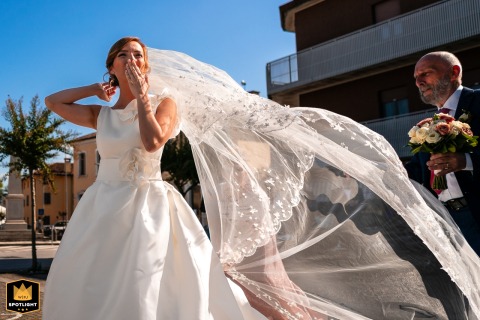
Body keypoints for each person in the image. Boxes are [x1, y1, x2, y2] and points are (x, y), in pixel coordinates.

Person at [43, 37, 480, 319]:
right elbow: (53, 100)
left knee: (148, 277)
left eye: (140, 55)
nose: (134, 60)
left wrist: (140, 97)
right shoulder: (99, 115)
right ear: (112, 65)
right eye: (125, 55)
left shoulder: (163, 102)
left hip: (149, 204)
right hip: (103, 203)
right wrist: (95, 90)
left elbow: (153, 142)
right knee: (94, 276)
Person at [405, 51, 480, 255]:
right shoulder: (430, 125)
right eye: (416, 78)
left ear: (454, 73)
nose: (419, 82)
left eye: (425, 74)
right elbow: (415, 171)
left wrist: (465, 161)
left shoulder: (477, 102)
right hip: (445, 221)